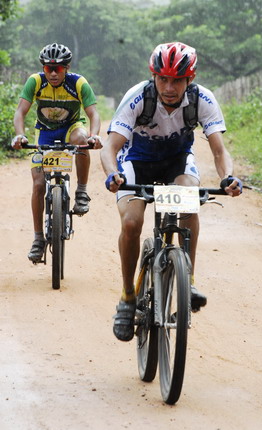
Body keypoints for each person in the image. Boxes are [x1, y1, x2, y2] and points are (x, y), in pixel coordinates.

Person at [100, 42, 242, 342]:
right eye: (162, 78)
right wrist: (112, 174)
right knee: (131, 223)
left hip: (177, 162)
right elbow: (110, 147)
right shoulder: (138, 96)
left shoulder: (202, 99)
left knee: (191, 201)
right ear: (153, 76)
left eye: (177, 80)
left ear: (190, 79)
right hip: (136, 162)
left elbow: (218, 150)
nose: (168, 87)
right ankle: (127, 298)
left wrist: (228, 176)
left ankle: (187, 281)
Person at [12, 42, 102, 263]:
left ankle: (81, 191)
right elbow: (20, 112)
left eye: (58, 69)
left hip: (71, 128)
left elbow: (93, 114)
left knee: (81, 140)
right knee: (38, 184)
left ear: (67, 68)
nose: (53, 73)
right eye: (48, 69)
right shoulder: (35, 82)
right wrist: (20, 135)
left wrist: (95, 135)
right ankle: (38, 239)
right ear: (43, 69)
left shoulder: (78, 83)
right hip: (44, 133)